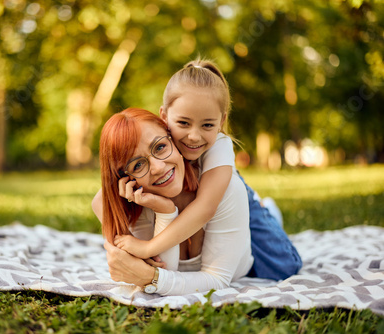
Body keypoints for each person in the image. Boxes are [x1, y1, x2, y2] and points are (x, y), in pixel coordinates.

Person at [112, 59, 302, 281]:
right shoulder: (157, 141)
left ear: (221, 122)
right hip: (209, 206)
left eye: (208, 125)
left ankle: (268, 210)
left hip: (235, 201)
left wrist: (147, 248)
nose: (194, 136)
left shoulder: (220, 146)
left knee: (282, 267)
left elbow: (204, 209)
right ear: (164, 116)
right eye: (183, 123)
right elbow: (100, 200)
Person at [93, 107, 253, 295]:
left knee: (283, 263)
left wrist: (149, 278)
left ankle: (265, 206)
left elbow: (217, 280)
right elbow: (167, 271)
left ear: (174, 141)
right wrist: (164, 211)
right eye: (137, 165)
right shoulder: (135, 201)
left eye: (160, 147)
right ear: (125, 177)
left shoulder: (226, 189)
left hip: (248, 240)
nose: (158, 168)